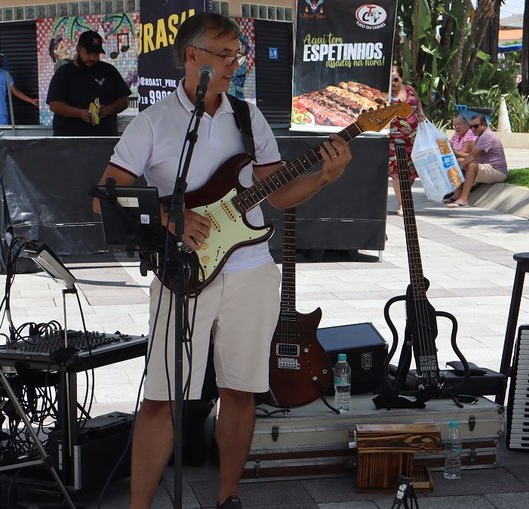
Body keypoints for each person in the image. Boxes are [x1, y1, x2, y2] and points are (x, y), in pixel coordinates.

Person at [91, 13, 351, 509]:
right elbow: (105, 195)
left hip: (251, 269)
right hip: (184, 272)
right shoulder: (154, 122)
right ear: (193, 57)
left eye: (238, 54)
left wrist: (322, 178)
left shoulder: (248, 117)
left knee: (241, 390)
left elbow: (276, 193)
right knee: (162, 398)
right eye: (224, 54)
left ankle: (227, 497)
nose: (235, 63)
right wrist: (172, 217)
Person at [47, 30, 131, 136]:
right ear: (78, 49)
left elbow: (124, 100)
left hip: (104, 138)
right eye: (88, 53)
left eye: (96, 54)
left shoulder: (109, 71)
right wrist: (80, 113)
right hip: (69, 140)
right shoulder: (63, 73)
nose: (92, 58)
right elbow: (54, 105)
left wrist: (108, 110)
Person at [0, 49, 40, 158]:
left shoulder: (5, 75)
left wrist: (32, 101)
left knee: (2, 140)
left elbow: (15, 91)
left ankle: (2, 163)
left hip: (1, 113)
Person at [445, 114, 507, 208]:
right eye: (471, 127)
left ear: (484, 125)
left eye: (476, 126)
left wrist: (460, 168)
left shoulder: (487, 136)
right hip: (487, 167)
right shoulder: (479, 136)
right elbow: (471, 156)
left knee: (471, 166)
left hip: (497, 171)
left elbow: (473, 155)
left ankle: (464, 199)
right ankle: (458, 193)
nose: (473, 129)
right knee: (458, 162)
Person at [388, 65, 425, 216]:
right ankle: (402, 204)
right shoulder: (386, 95)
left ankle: (405, 195)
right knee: (397, 171)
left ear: (401, 78)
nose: (393, 83)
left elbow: (418, 102)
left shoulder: (409, 89)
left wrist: (421, 113)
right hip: (394, 138)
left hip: (413, 138)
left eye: (396, 79)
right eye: (390, 80)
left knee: (411, 172)